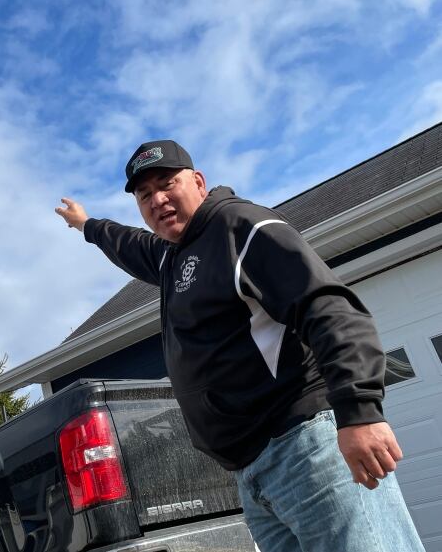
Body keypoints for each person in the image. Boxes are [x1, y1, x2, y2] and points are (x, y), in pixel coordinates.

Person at [55, 140, 424, 552]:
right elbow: (126, 242)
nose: (157, 199)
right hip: (252, 475)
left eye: (167, 183)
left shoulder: (239, 227)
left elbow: (328, 309)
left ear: (197, 182)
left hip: (304, 450)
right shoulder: (170, 258)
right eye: (145, 195)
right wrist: (85, 224)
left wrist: (358, 413)